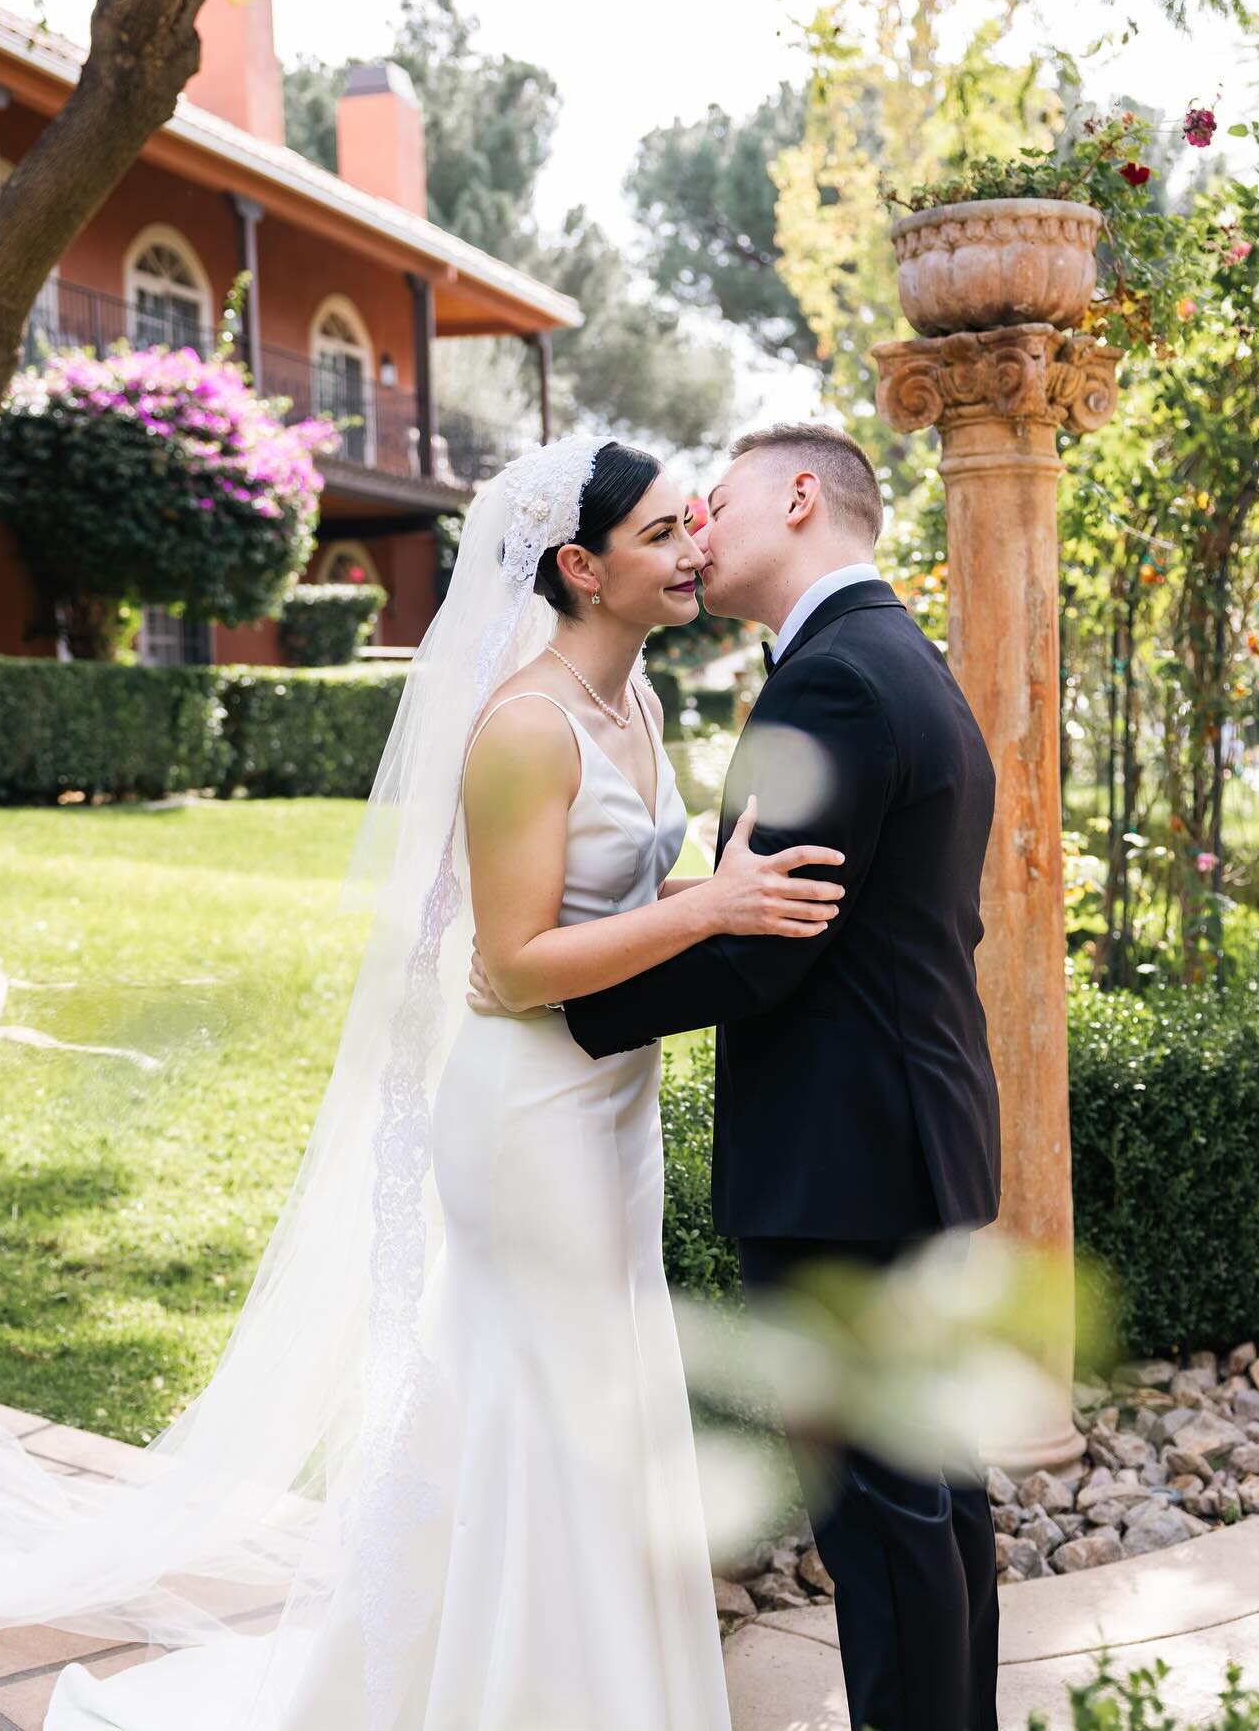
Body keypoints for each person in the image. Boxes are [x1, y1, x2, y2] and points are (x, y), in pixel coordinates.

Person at [0, 435, 842, 1731]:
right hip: (527, 1123)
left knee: (601, 1392)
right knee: (539, 1401)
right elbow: (516, 962)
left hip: (610, 1108)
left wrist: (700, 890)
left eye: (686, 526)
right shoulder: (526, 724)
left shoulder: (636, 706)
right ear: (582, 570)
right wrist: (713, 910)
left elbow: (614, 907)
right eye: (659, 535)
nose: (694, 548)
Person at [474, 421, 1004, 1731]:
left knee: (884, 1516)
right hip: (897, 1138)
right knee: (928, 1492)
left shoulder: (832, 676)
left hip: (846, 1161)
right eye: (669, 523)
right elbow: (751, 917)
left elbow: (769, 941)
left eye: (709, 506)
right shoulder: (883, 654)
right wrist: (655, 930)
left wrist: (563, 1003)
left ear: (804, 497)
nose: (699, 533)